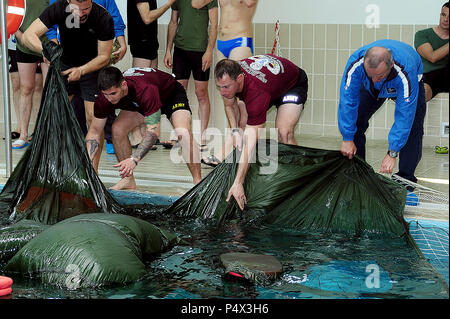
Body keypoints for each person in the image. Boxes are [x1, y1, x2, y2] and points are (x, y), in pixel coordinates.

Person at [22, 0, 115, 169]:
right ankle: (55, 168)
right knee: (56, 115)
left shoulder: (103, 18)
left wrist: (82, 70)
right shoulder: (58, 8)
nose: (80, 14)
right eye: (76, 9)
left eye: (86, 8)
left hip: (92, 66)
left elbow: (104, 56)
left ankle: (92, 173)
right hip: (64, 65)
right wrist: (46, 50)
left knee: (92, 118)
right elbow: (28, 35)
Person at [214, 54, 308, 210]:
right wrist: (235, 130)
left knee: (284, 131)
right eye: (220, 87)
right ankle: (241, 168)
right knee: (242, 125)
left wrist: (238, 183)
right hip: (271, 84)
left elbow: (251, 143)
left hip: (292, 84)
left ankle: (299, 173)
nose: (223, 92)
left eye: (226, 87)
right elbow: (229, 106)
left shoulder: (257, 93)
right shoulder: (229, 76)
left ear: (239, 78)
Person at [86, 66, 202, 190]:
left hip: (170, 95)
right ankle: (128, 180)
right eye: (106, 94)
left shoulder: (144, 89)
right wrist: (88, 166)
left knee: (183, 133)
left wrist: (134, 159)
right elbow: (94, 132)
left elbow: (153, 133)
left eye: (113, 93)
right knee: (118, 129)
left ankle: (198, 182)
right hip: (141, 103)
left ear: (123, 85)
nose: (109, 98)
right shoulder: (104, 98)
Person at [338, 39, 427, 190]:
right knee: (357, 120)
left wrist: (392, 152)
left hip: (408, 78)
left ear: (390, 65)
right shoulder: (356, 64)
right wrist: (347, 137)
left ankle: (405, 181)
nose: (375, 80)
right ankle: (358, 175)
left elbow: (405, 115)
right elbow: (348, 101)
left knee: (413, 128)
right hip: (371, 85)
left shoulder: (405, 71)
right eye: (370, 74)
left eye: (379, 76)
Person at [47, 0, 128, 155]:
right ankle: (75, 144)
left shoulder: (100, 10)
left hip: (95, 59)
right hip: (68, 59)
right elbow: (51, 19)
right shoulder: (61, 4)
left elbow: (113, 16)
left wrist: (121, 40)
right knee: (69, 106)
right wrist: (52, 42)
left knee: (99, 105)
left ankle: (107, 140)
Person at [192, 0, 258, 166]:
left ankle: (235, 147)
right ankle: (234, 140)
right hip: (222, 44)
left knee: (240, 97)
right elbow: (196, 3)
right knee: (227, 97)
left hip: (240, 41)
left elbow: (249, 3)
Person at [164, 0, 218, 151]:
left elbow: (214, 25)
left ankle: (202, 136)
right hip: (180, 50)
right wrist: (168, 49)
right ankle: (178, 133)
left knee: (201, 93)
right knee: (178, 93)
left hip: (200, 50)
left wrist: (209, 51)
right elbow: (173, 22)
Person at [127, 0, 176, 148]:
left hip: (150, 43)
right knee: (136, 92)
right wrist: (170, 3)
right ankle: (136, 135)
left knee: (150, 92)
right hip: (141, 44)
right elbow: (147, 17)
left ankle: (146, 134)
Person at [12, 0, 49, 150]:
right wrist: (23, 38)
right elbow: (10, 19)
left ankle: (44, 134)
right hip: (24, 45)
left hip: (48, 44)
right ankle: (23, 135)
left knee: (48, 89)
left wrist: (53, 43)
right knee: (26, 88)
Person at [414, 2, 449, 102]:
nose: (446, 19)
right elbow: (432, 57)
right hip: (429, 77)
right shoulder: (422, 34)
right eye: (443, 15)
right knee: (422, 93)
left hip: (446, 75)